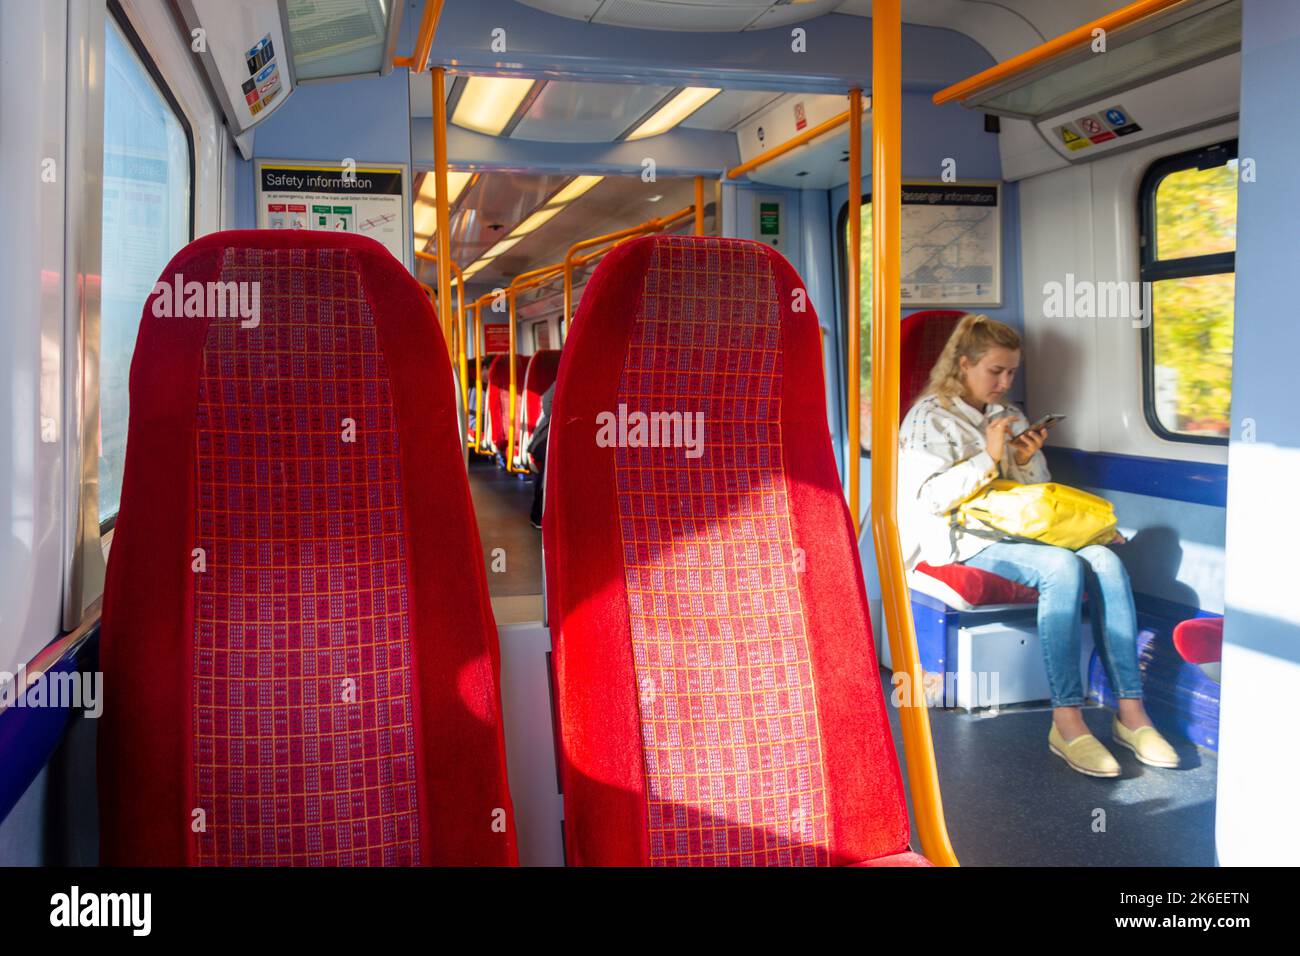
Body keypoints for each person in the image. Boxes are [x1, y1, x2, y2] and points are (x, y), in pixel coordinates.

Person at [899, 314, 1179, 777]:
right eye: (996, 371)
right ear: (963, 364)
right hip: (959, 535)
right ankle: (1066, 719)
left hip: (1018, 526)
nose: (1005, 382)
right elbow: (930, 499)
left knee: (1106, 562)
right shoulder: (929, 418)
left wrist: (1024, 459)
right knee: (1061, 569)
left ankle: (1132, 713)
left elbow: (1036, 490)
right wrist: (989, 456)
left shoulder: (1008, 414)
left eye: (1011, 372)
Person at [528, 381, 555, 530]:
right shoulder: (559, 383)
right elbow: (548, 405)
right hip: (544, 437)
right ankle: (537, 514)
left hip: (559, 436)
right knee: (549, 461)